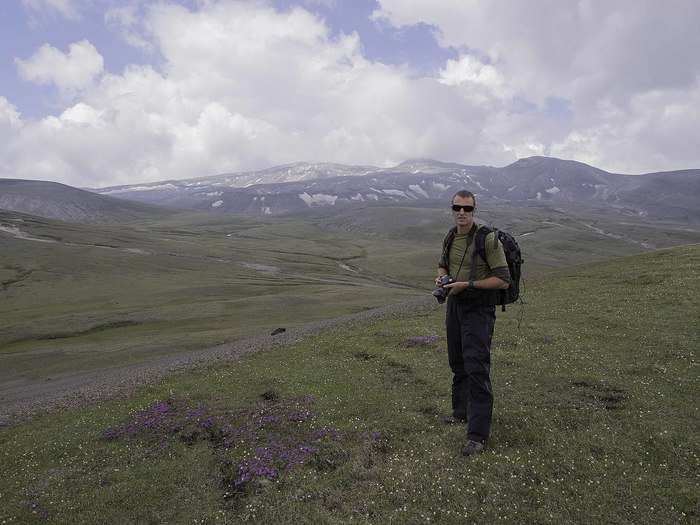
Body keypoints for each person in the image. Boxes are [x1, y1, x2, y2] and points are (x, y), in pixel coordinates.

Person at [435, 190, 511, 456]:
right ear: (452, 209)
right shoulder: (450, 236)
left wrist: (467, 285)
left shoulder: (486, 239)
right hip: (455, 305)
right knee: (457, 362)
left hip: (478, 308)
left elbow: (503, 279)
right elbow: (443, 265)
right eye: (457, 208)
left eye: (467, 209)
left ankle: (477, 435)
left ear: (474, 210)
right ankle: (460, 413)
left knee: (477, 367)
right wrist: (442, 279)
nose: (462, 213)